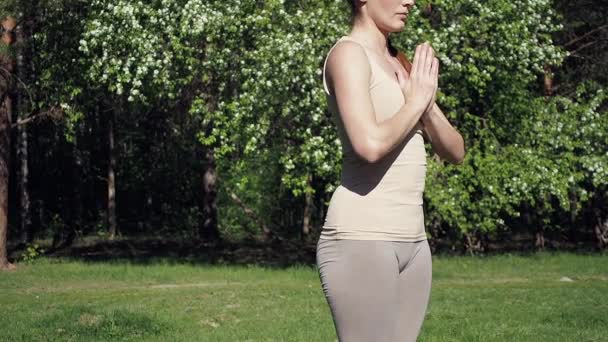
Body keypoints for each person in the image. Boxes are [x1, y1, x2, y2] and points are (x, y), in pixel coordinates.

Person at [316, 0, 466, 341]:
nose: (410, 1)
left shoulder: (401, 61)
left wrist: (425, 104)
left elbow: (455, 150)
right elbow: (368, 145)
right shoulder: (349, 55)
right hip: (363, 238)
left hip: (414, 242)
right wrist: (415, 101)